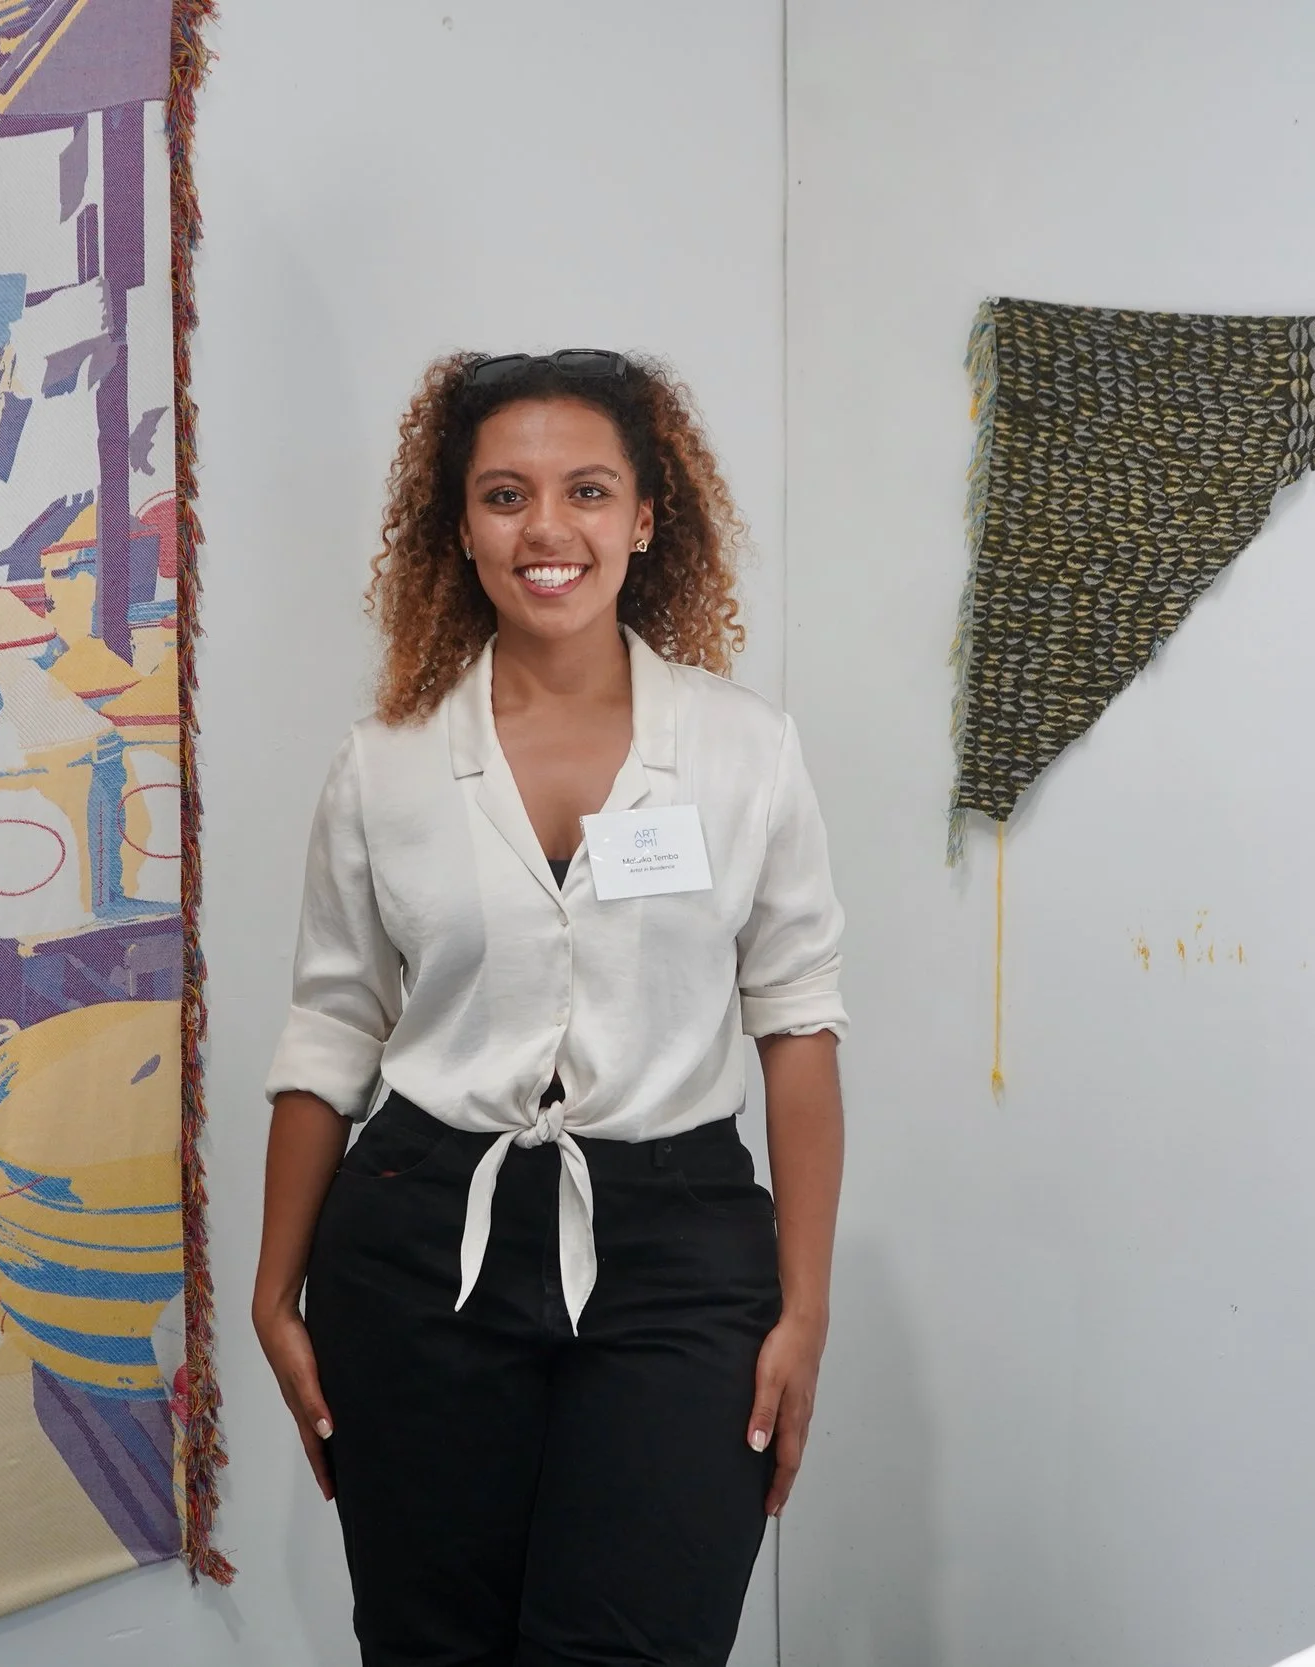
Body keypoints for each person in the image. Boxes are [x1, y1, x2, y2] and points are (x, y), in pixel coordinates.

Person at [255, 348, 847, 1667]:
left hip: (680, 1249)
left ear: (646, 517)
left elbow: (798, 1024)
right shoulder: (387, 767)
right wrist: (271, 1285)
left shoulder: (748, 752)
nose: (548, 529)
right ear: (460, 531)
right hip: (417, 1243)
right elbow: (333, 1026)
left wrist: (804, 1306)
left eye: (587, 490)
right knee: (434, 1647)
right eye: (505, 495)